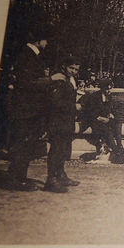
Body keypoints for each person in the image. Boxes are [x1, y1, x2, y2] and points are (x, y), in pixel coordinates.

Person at [6, 35, 53, 191]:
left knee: (25, 144)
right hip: (26, 109)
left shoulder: (29, 55)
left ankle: (19, 178)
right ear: (39, 40)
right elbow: (26, 83)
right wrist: (50, 80)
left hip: (28, 109)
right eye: (46, 40)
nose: (47, 43)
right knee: (22, 144)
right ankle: (16, 180)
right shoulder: (28, 55)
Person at [43, 58, 82, 193]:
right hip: (58, 121)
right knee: (56, 149)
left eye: (76, 69)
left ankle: (61, 175)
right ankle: (51, 180)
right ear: (64, 66)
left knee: (63, 149)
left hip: (67, 120)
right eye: (71, 68)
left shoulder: (71, 80)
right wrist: (74, 106)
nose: (74, 71)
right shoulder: (60, 80)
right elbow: (54, 102)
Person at [79, 78, 124, 156]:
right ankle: (115, 149)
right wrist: (103, 118)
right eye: (107, 89)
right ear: (102, 88)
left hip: (103, 118)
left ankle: (120, 146)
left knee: (118, 122)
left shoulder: (108, 96)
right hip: (93, 120)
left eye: (110, 89)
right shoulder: (94, 97)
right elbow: (90, 112)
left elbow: (110, 109)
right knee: (106, 128)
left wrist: (111, 114)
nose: (109, 91)